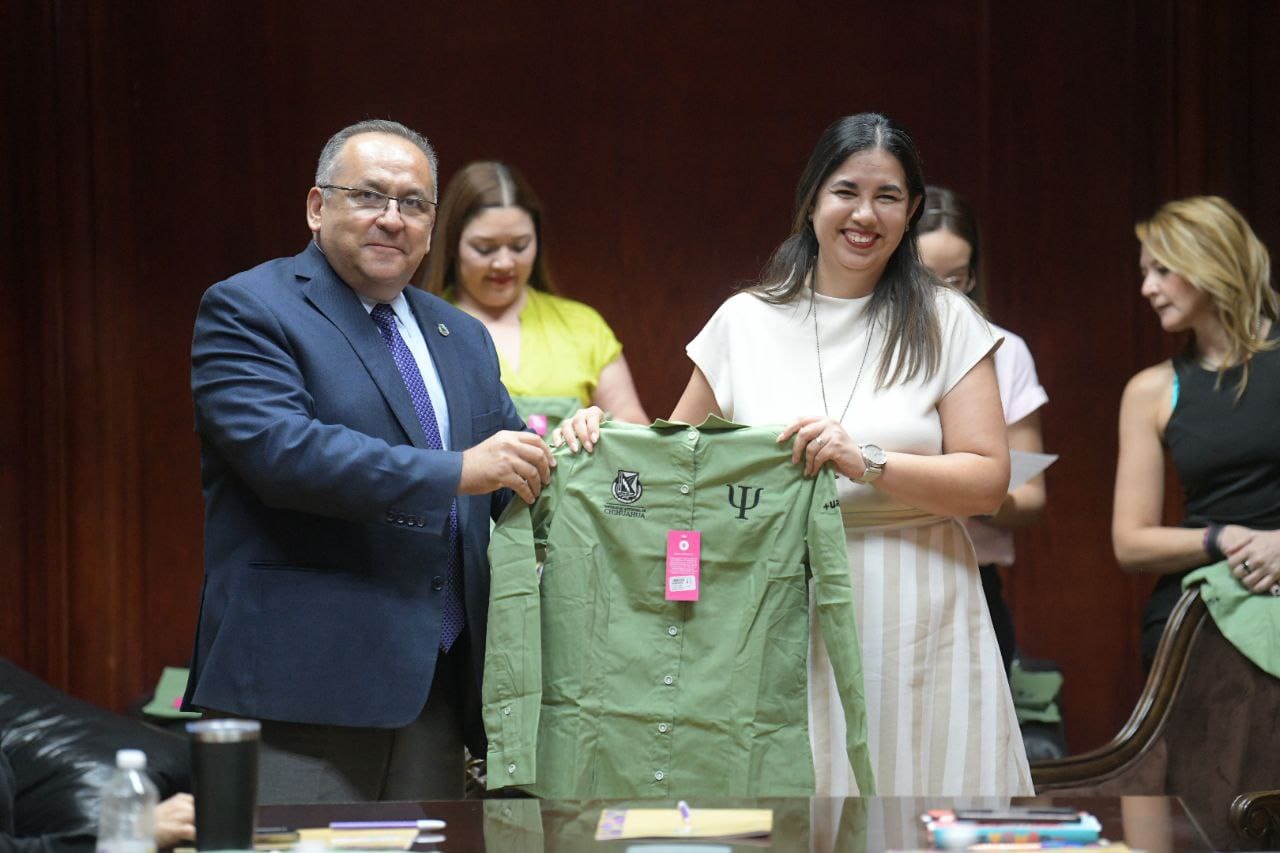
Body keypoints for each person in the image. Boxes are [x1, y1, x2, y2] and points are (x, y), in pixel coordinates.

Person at [559, 113, 1033, 796]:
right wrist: (599, 440)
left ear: (913, 211)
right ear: (812, 199)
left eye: (888, 196)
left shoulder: (947, 321)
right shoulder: (744, 322)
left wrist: (866, 459)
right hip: (772, 600)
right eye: (846, 191)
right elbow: (671, 475)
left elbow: (989, 481)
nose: (864, 214)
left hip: (916, 608)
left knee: (918, 800)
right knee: (793, 805)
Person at [182, 119, 554, 802]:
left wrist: (569, 446)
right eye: (369, 196)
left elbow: (509, 477)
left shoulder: (459, 335)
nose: (393, 218)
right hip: (298, 694)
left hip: (435, 692)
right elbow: (285, 454)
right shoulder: (249, 309)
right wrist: (457, 471)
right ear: (318, 207)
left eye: (413, 203)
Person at [1113, 195, 1280, 671]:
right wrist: (1221, 539)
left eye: (1162, 270)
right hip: (1204, 594)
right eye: (1145, 272)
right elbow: (1131, 542)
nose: (1147, 288)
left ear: (1210, 265)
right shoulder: (1152, 390)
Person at [917, 186, 1049, 674]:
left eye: (958, 278)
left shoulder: (1004, 351)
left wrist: (977, 489)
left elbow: (1030, 498)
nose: (946, 296)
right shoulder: (866, 344)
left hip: (972, 577)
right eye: (927, 279)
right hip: (880, 568)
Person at [421, 161, 648, 431]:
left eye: (520, 246)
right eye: (485, 248)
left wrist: (603, 426)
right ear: (452, 244)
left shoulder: (582, 325)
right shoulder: (420, 327)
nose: (504, 263)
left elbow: (635, 430)